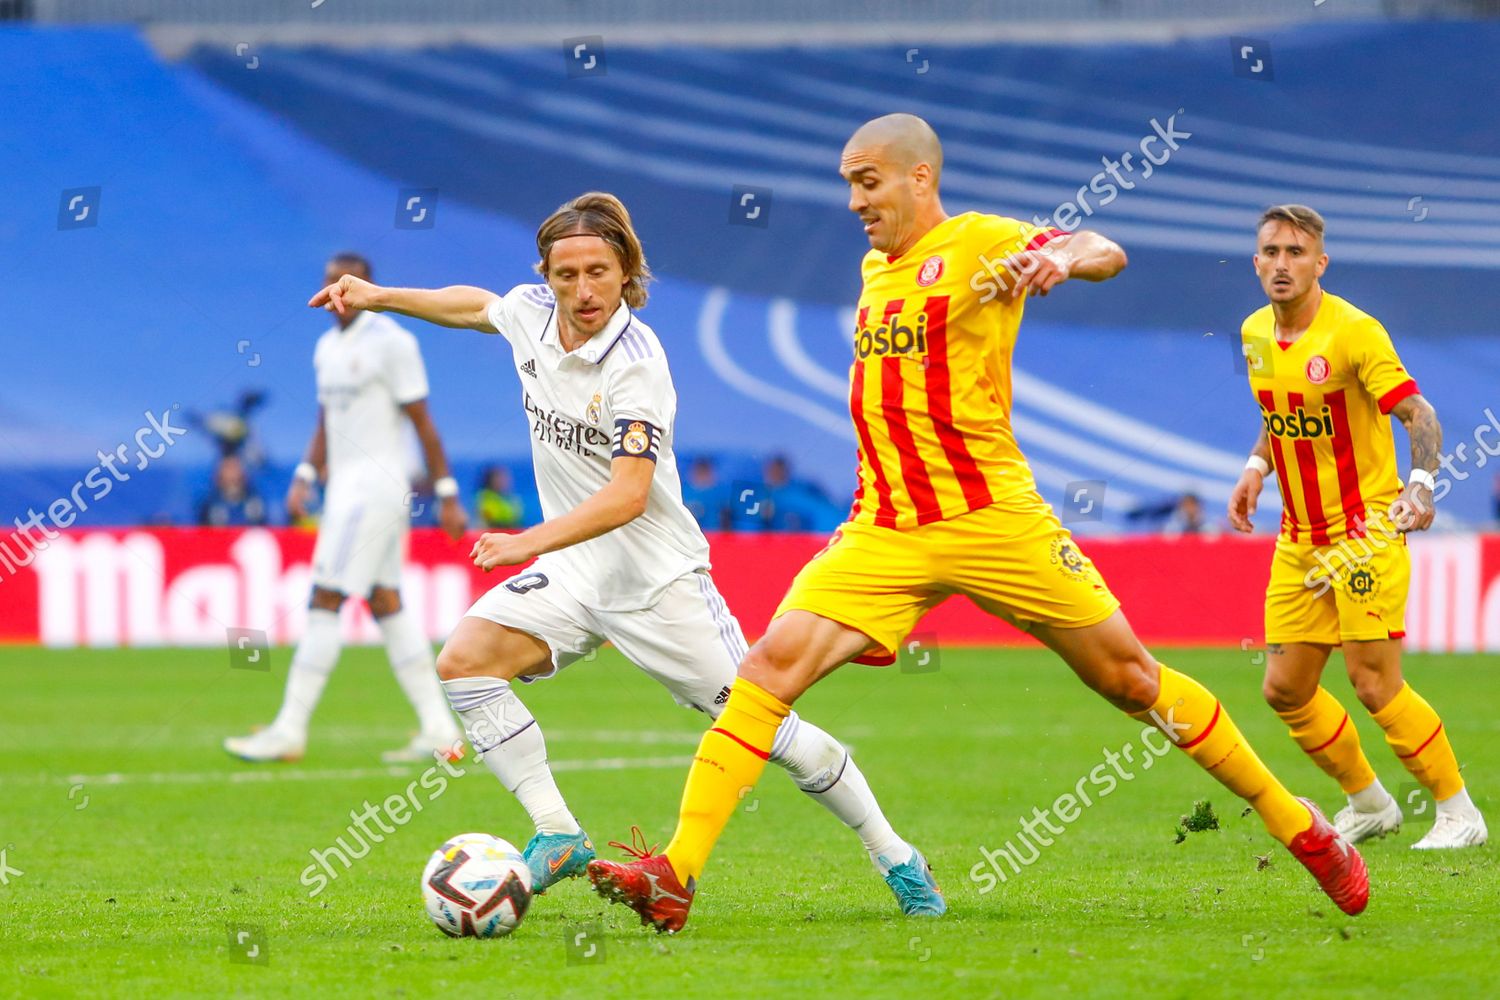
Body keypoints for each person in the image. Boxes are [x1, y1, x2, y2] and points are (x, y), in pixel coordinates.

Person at [587, 115, 1369, 933]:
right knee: (766, 671)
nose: (855, 200)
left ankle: (1297, 824)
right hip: (884, 528)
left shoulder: (979, 242)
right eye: (849, 184)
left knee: (1131, 680)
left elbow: (1104, 249)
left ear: (919, 177)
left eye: (869, 181)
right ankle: (675, 873)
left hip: (993, 518)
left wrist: (1057, 258)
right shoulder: (876, 269)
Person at [305, 194, 935, 910]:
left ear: (626, 269)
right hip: (576, 575)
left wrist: (527, 541)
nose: (582, 290)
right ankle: (556, 833)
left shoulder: (636, 365)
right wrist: (380, 296)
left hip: (657, 585)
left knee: (774, 731)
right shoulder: (532, 315)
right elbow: (475, 305)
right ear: (545, 276)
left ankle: (896, 856)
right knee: (466, 663)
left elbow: (628, 495)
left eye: (598, 272)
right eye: (565, 274)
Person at [1228, 204, 1486, 849]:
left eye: (1295, 253)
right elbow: (1281, 408)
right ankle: (1369, 803)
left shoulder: (1355, 332)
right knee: (1285, 689)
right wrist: (1257, 465)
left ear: (1320, 263)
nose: (1282, 264)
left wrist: (1421, 487)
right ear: (1255, 262)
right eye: (1271, 252)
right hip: (1299, 536)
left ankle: (1458, 812)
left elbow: (1419, 414)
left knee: (1373, 681)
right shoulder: (1255, 332)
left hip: (1364, 527)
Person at [224, 252, 468, 765]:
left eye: (343, 282)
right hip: (342, 491)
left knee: (326, 597)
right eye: (327, 281)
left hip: (375, 491)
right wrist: (306, 475)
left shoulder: (394, 343)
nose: (333, 291)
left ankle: (289, 729)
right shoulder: (327, 346)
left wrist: (446, 492)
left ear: (363, 287)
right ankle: (440, 731)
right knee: (385, 601)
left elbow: (423, 422)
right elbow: (326, 420)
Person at [196, 454, 268, 527]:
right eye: (228, 468)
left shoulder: (255, 502)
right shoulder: (210, 504)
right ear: (219, 474)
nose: (232, 474)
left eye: (235, 467)